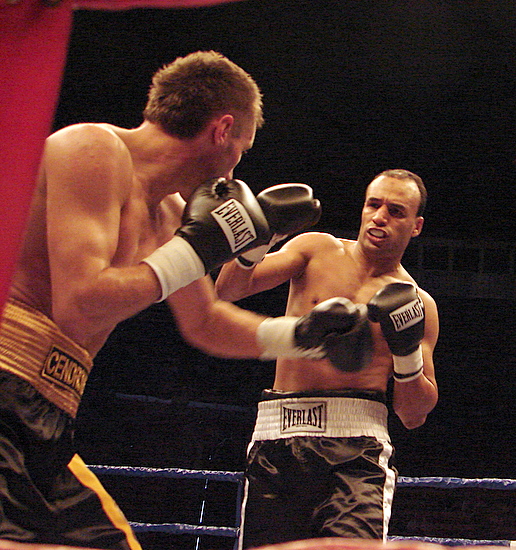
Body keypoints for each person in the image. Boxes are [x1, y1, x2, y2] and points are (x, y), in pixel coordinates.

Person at [0, 50, 357, 549]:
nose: (234, 169)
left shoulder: (171, 215)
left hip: (49, 419)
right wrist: (193, 252)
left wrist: (301, 337)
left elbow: (205, 321)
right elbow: (79, 302)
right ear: (222, 130)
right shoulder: (92, 150)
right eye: (242, 149)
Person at [216, 169, 440, 548]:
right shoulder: (316, 250)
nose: (380, 217)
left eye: (396, 211)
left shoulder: (418, 304)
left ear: (416, 226)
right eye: (373, 204)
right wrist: (261, 237)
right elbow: (229, 290)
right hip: (278, 436)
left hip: (358, 451)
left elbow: (412, 414)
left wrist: (405, 353)